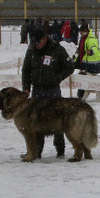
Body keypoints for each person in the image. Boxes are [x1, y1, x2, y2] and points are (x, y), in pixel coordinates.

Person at [21, 26, 75, 157]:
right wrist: (26, 87)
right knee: (36, 123)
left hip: (52, 91)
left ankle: (60, 149)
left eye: (37, 43)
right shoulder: (31, 51)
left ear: (44, 39)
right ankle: (37, 151)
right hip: (37, 91)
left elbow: (70, 66)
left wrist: (57, 78)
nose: (35, 46)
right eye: (33, 43)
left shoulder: (57, 50)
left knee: (57, 121)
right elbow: (26, 70)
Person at [74, 23, 100, 99]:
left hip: (92, 64)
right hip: (85, 63)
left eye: (82, 32)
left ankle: (81, 96)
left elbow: (95, 48)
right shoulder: (83, 38)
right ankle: (81, 95)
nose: (81, 33)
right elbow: (81, 49)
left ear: (86, 31)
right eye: (80, 32)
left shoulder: (91, 39)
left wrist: (91, 51)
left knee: (87, 79)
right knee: (84, 78)